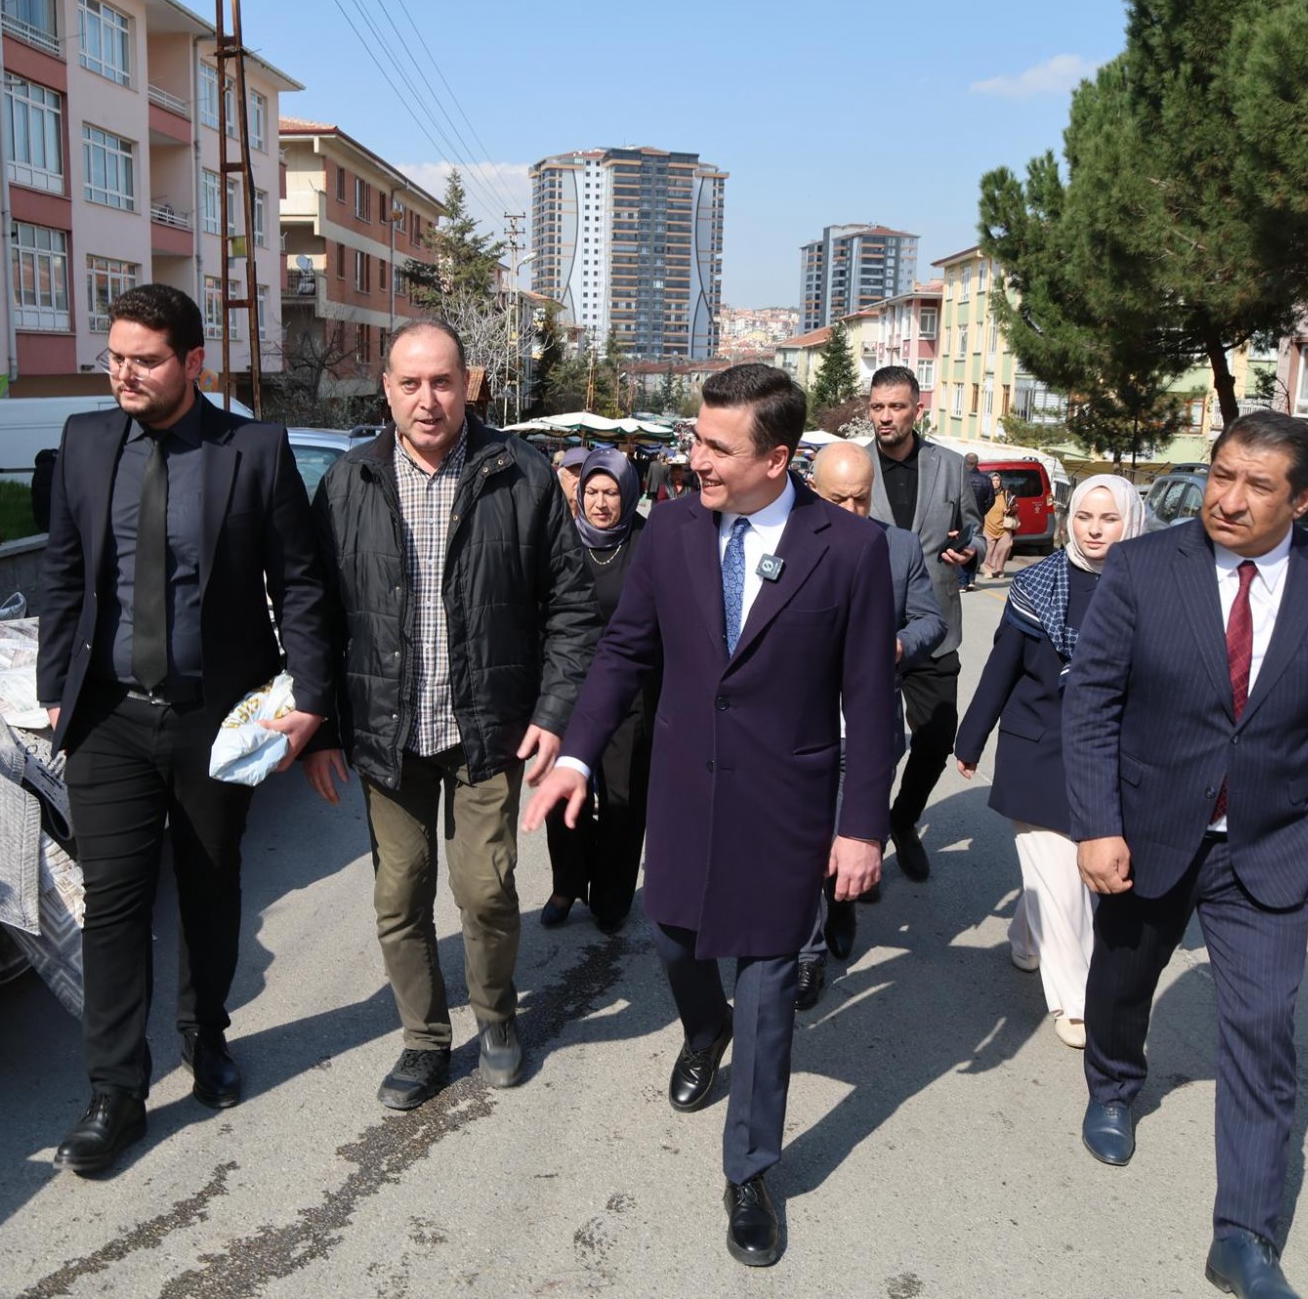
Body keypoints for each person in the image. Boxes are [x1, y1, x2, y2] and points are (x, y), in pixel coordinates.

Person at [524, 364, 897, 1268]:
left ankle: (751, 1170)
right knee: (673, 934)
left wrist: (860, 826)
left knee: (768, 982)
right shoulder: (673, 529)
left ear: (776, 457)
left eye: (716, 447)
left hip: (787, 805)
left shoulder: (849, 550)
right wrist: (576, 753)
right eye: (696, 438)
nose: (695, 459)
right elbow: (624, 649)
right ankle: (703, 1026)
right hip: (685, 789)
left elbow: (869, 697)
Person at [1063, 412, 1308, 1298]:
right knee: (1123, 977)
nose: (1228, 500)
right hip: (1147, 829)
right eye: (1221, 474)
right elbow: (1092, 704)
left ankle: (1243, 1234)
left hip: (1268, 845)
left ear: (1303, 501)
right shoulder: (1142, 567)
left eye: (1257, 485)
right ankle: (1114, 1082)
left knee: (1265, 1032)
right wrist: (1096, 823)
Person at [35, 283, 333, 1176]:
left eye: (146, 360)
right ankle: (115, 1092)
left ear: (193, 362)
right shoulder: (85, 442)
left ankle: (207, 1036)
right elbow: (63, 572)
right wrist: (54, 686)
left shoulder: (253, 449)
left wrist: (310, 700)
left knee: (210, 885)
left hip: (216, 717)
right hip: (108, 716)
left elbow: (300, 582)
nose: (124, 373)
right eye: (116, 357)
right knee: (113, 904)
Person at [303, 318, 601, 1111]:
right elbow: (316, 614)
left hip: (486, 727)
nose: (427, 399)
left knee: (487, 890)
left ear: (469, 384)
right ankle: (425, 1038)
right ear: (387, 389)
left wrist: (554, 710)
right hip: (389, 731)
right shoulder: (350, 481)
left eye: (442, 381)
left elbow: (572, 607)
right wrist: (321, 727)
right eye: (410, 383)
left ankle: (496, 1016)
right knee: (399, 896)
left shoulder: (521, 474)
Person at [953, 475, 1147, 1050]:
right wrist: (970, 739)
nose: (1094, 530)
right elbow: (1002, 667)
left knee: (1067, 878)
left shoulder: (1152, 588)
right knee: (1064, 882)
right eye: (1084, 517)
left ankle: (1025, 936)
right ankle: (1078, 1002)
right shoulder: (1037, 585)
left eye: (1109, 519)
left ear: (1133, 522)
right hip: (1037, 749)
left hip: (1108, 757)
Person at [792, 442, 946, 1010]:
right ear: (814, 490)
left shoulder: (898, 546)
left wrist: (899, 644)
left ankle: (843, 904)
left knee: (850, 834)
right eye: (840, 500)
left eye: (861, 499)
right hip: (799, 729)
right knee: (805, 844)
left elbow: (931, 618)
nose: (853, 511)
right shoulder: (786, 543)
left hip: (867, 732)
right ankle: (806, 953)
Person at [864, 366, 982, 882]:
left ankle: (903, 819)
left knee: (935, 739)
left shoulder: (950, 466)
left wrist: (973, 549)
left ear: (917, 409)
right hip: (869, 631)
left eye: (896, 406)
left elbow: (974, 527)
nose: (885, 416)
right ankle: (865, 838)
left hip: (935, 625)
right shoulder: (855, 467)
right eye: (877, 407)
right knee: (872, 747)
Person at [541, 448, 655, 932]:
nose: (601, 503)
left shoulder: (647, 542)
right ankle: (567, 885)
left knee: (622, 801)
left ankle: (611, 895)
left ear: (628, 493)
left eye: (611, 492)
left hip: (630, 695)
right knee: (563, 794)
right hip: (569, 687)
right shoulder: (562, 539)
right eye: (592, 491)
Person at [962, 452, 994, 591]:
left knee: (961, 545)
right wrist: (982, 511)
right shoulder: (986, 480)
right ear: (977, 463)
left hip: (961, 516)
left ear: (965, 462)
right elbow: (991, 500)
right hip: (978, 517)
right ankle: (971, 579)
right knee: (975, 545)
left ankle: (962, 581)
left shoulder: (961, 477)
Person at [980, 471, 1018, 579]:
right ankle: (988, 570)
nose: (996, 482)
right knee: (989, 550)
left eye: (998, 480)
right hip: (988, 526)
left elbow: (1015, 506)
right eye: (993, 480)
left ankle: (999, 569)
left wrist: (1010, 510)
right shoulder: (985, 493)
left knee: (1005, 547)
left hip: (1003, 527)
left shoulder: (1006, 493)